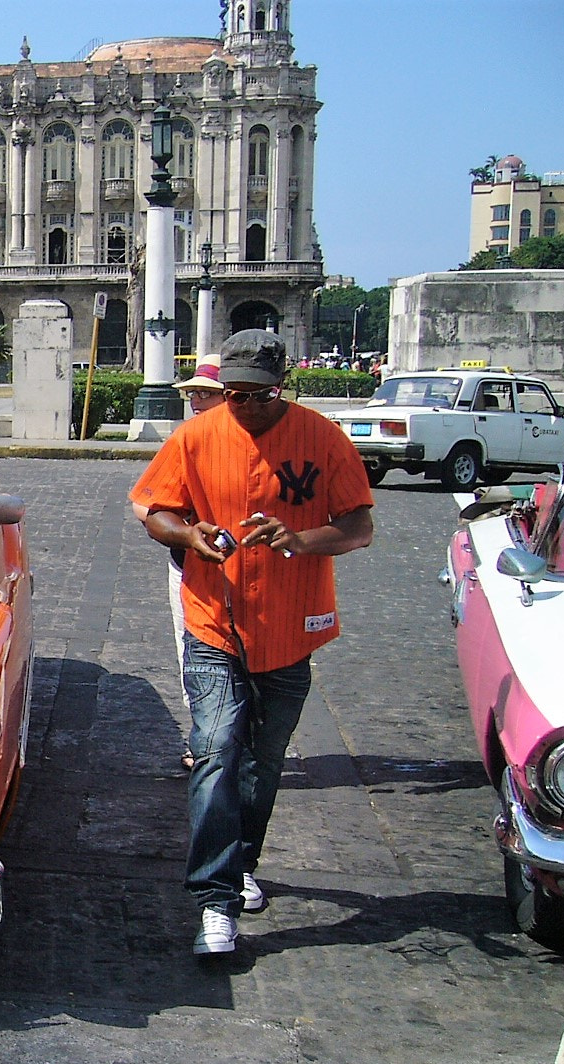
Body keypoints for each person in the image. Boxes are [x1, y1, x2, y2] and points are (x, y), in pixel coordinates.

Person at [129, 329, 374, 956]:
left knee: (263, 765)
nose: (245, 406)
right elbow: (153, 508)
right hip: (214, 622)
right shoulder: (195, 436)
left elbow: (357, 526)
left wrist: (299, 538)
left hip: (292, 631)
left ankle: (240, 864)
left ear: (281, 387)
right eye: (233, 394)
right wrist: (189, 536)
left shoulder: (323, 438)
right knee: (214, 750)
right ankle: (215, 901)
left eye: (258, 395)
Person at [132, 353, 227, 770]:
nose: (198, 401)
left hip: (257, 572)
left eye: (208, 394)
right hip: (189, 567)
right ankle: (205, 739)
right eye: (194, 394)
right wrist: (182, 528)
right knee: (194, 653)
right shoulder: (186, 441)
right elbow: (143, 503)